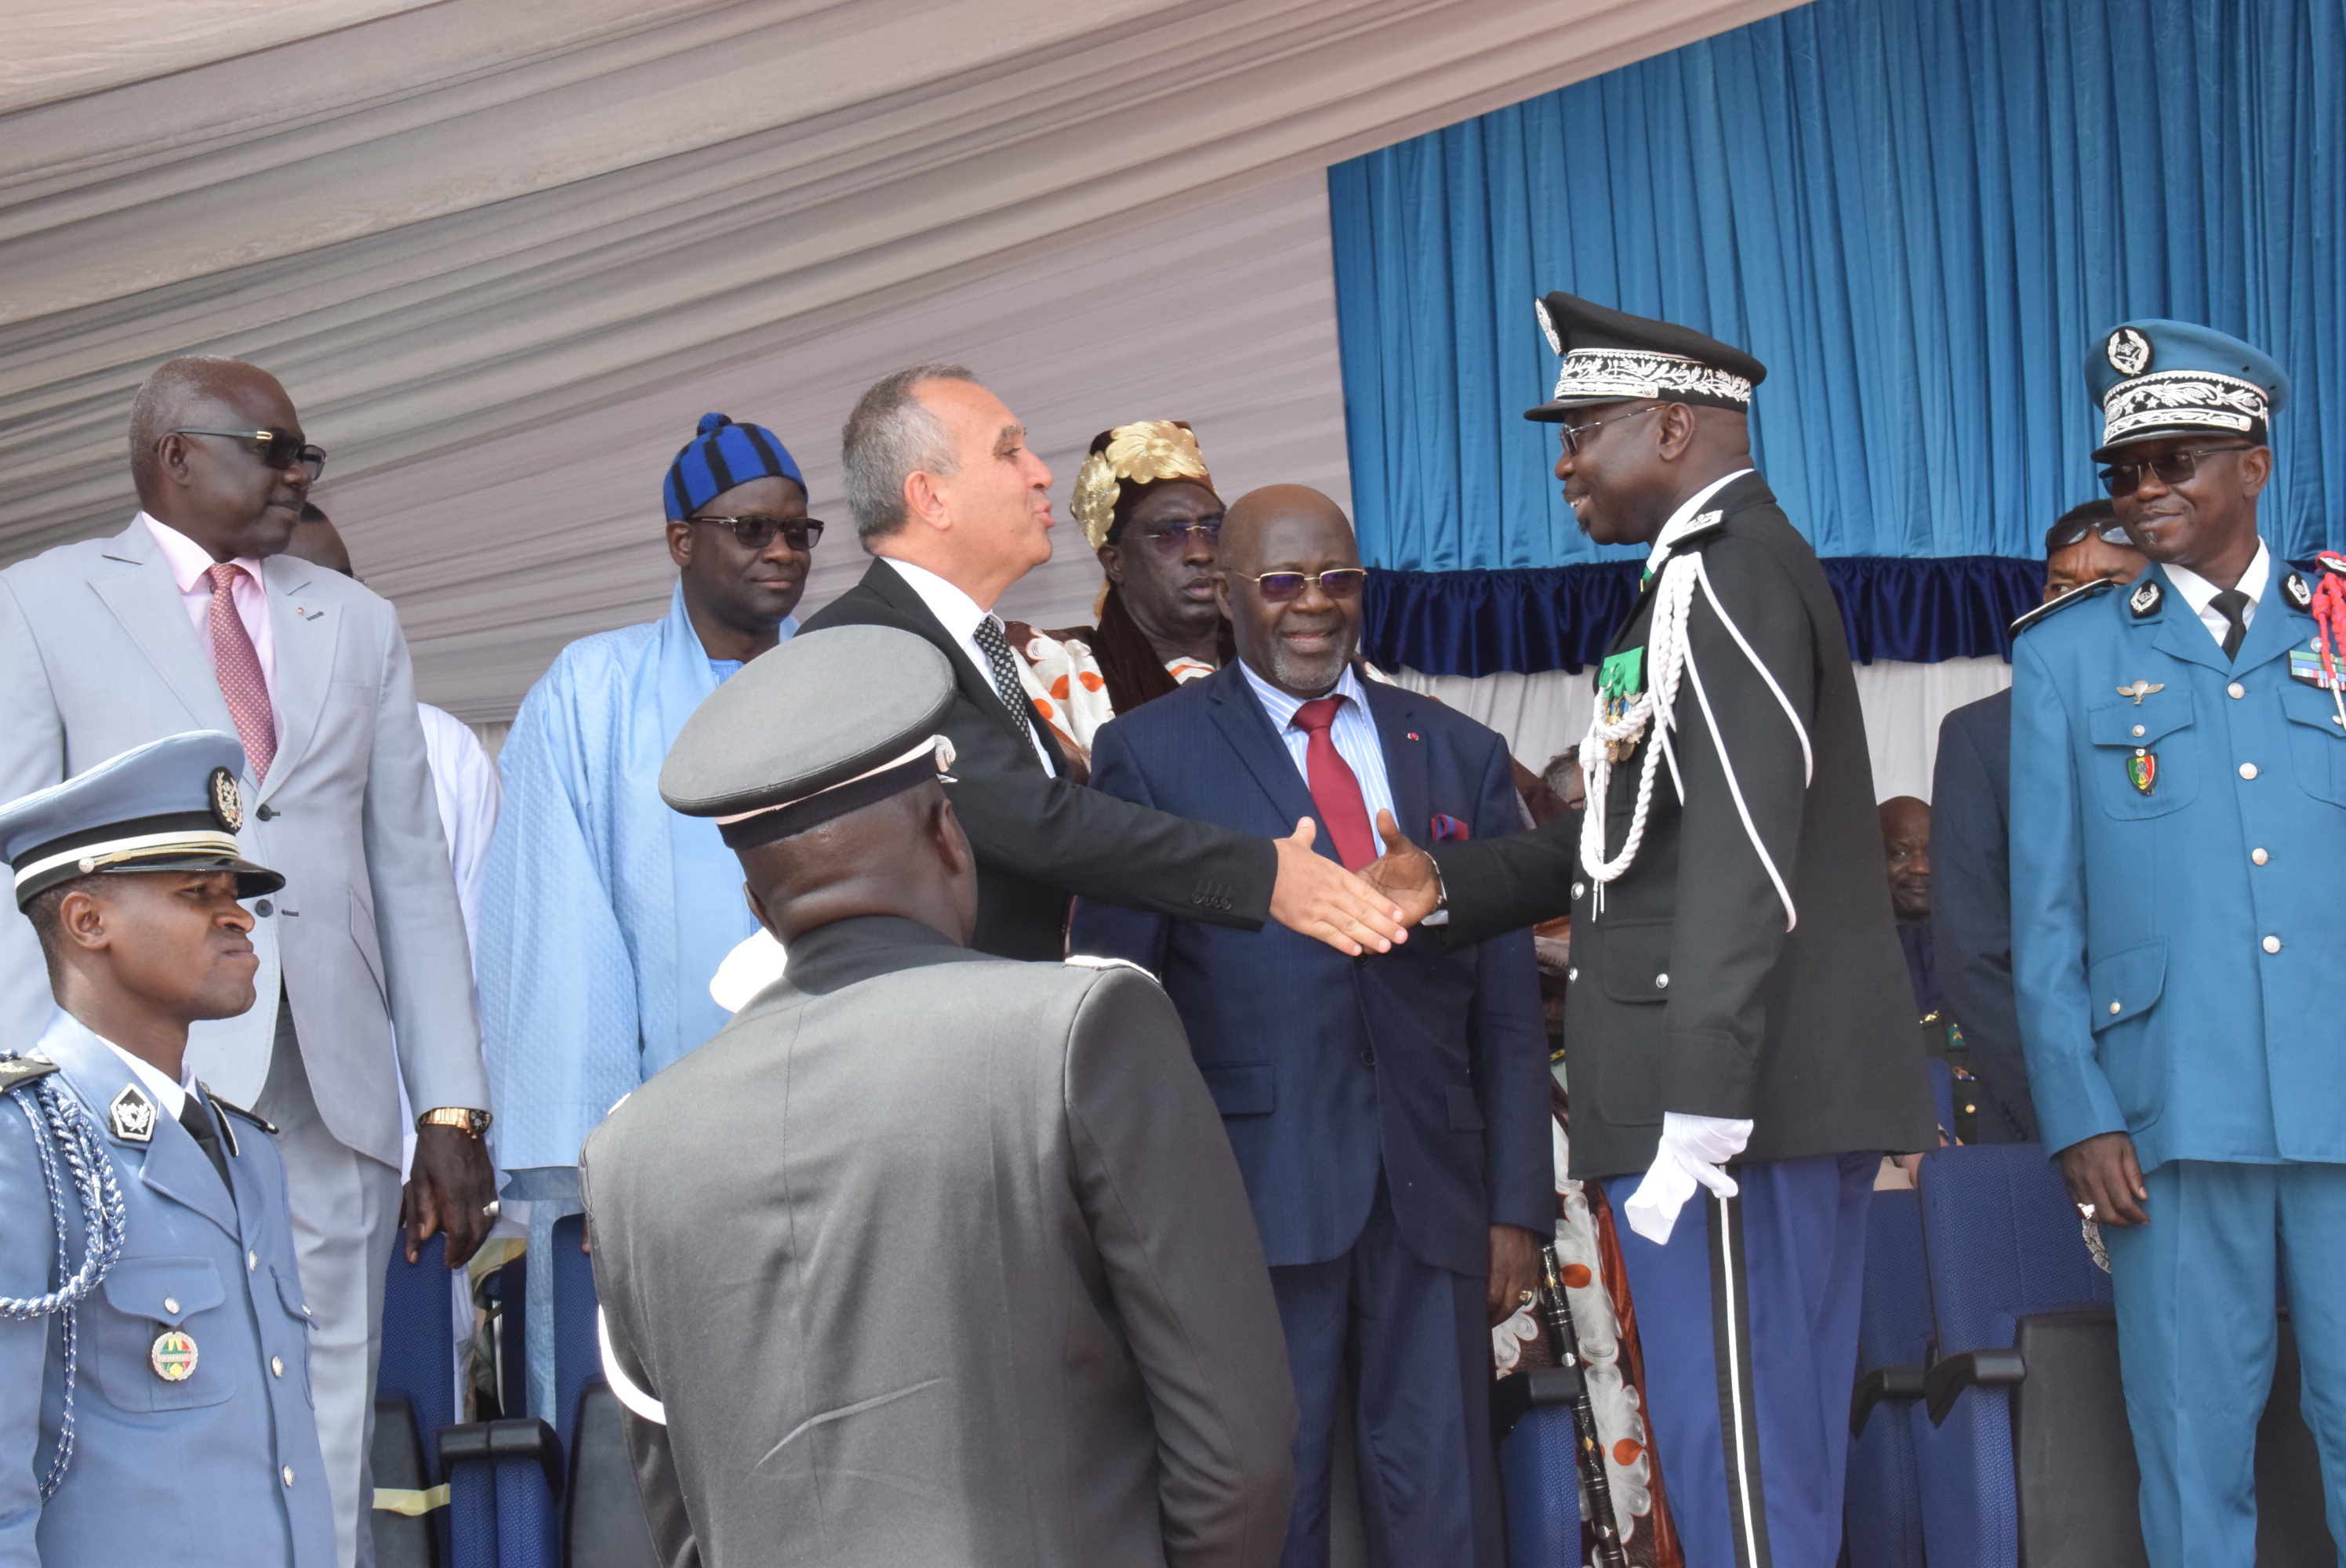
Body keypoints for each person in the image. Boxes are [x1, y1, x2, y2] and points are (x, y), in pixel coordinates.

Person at [1364, 293, 1933, 1568]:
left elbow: (1745, 851)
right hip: (1743, 1100)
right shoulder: (1691, 578)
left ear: (1671, 428)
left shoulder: (1721, 573)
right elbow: (1625, 837)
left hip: (1729, 1111)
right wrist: (1440, 885)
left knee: (1741, 1471)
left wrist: (1704, 1102)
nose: (1564, 464)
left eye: (1582, 432)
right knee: (1759, 1462)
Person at [581, 623, 1298, 1566]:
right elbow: (1236, 1447)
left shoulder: (629, 1150)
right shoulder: (1080, 1031)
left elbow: (680, 1518)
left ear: (759, 909)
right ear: (949, 835)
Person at [0, 356, 492, 1568]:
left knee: (325, 1416)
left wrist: (449, 1105)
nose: (300, 473)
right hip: (115, 1083)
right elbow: (17, 870)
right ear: (175, 456)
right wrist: (24, 1090)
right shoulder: (41, 602)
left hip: (327, 1082)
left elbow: (410, 872)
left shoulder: (358, 622)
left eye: (305, 453)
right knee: (128, 1401)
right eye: (272, 450)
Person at [1068, 484, 1549, 1566]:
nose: (1313, 604)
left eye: (1338, 580)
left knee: (1445, 1501)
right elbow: (1115, 1005)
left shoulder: (1458, 751)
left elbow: (1507, 1003)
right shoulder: (1149, 753)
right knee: (1266, 1504)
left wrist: (1515, 1202)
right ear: (1226, 593)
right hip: (1247, 1197)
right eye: (1282, 581)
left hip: (1435, 1195)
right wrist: (1138, 1218)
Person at [2010, 319, 2346, 1562]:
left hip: (2342, 1091)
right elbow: (2045, 914)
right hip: (2168, 1113)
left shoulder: (2340, 628)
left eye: (2175, 463)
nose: (2144, 490)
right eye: (2123, 471)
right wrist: (2080, 1112)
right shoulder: (2069, 655)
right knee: (2192, 1441)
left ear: (2254, 466)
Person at [797, 364, 1407, 961]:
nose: (1041, 474)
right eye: (1009, 453)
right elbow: (1033, 823)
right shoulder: (864, 641)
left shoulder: (974, 641)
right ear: (931, 497)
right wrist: (1263, 873)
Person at [473, 411, 812, 1417]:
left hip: (828, 1120)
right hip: (661, 1145)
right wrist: (603, 1152)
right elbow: (558, 939)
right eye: (750, 529)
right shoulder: (592, 691)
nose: (782, 551)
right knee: (654, 1424)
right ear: (681, 541)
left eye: (797, 530)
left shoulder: (840, 675)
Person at [0, 731, 335, 1566]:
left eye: (236, 893)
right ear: (87, 920)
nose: (238, 916)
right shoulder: (23, 1144)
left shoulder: (247, 1148)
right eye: (197, 892)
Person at [1930, 502, 2147, 1148]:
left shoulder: (2212, 712)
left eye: (2108, 585)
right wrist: (2073, 1115)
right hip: (2049, 1118)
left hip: (2198, 1101)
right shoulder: (1981, 734)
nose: (2077, 605)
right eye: (2061, 586)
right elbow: (1974, 956)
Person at [280, 506, 502, 944]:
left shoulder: (442, 743)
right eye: (307, 594)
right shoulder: (216, 749)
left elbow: (481, 935)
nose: (339, 610)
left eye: (348, 585)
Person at [1002, 420, 1233, 771]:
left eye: (1214, 529)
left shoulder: (1272, 659)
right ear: (1115, 562)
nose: (1201, 552)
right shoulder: (1057, 670)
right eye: (1168, 533)